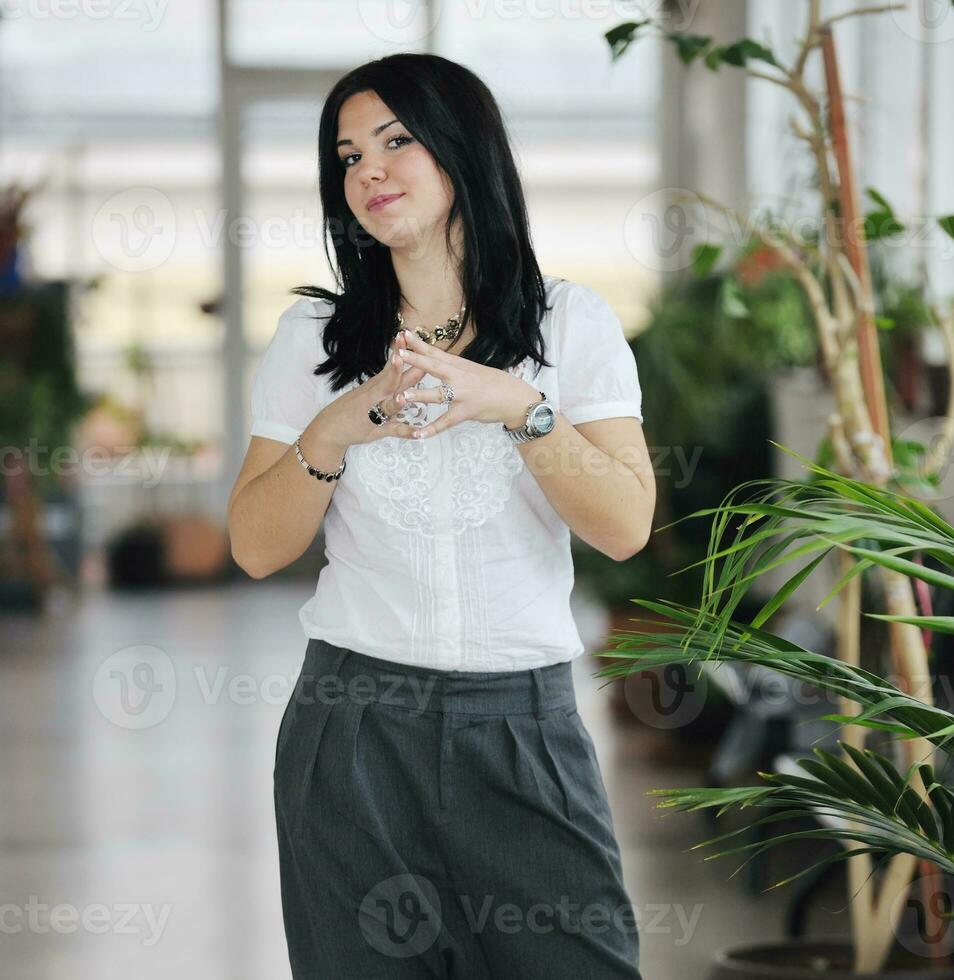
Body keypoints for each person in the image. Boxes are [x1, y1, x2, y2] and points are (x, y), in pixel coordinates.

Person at [228, 52, 656, 980]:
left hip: (521, 726)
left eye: (395, 141)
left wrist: (518, 408)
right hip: (352, 733)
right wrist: (339, 427)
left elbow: (624, 524)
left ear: (464, 153)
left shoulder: (570, 326)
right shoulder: (313, 341)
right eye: (345, 156)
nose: (367, 171)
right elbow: (256, 547)